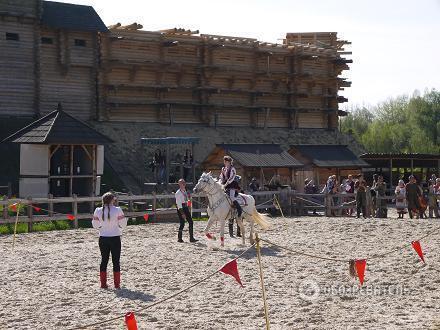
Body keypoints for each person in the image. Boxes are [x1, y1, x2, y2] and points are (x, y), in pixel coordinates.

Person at [92, 192, 127, 289]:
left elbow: (95, 225)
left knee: (104, 260)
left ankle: (103, 284)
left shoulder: (97, 210)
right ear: (112, 200)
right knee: (116, 261)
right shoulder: (118, 210)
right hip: (115, 237)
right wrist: (118, 226)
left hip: (103, 237)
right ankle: (117, 284)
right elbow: (123, 224)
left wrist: (102, 228)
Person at [175, 178, 198, 243]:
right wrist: (182, 213)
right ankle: (179, 238)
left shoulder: (185, 191)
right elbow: (179, 204)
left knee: (191, 222)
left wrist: (189, 198)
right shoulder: (178, 193)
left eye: (184, 182)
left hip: (185, 207)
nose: (184, 184)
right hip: (181, 209)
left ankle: (191, 238)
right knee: (182, 223)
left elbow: (186, 199)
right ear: (179, 184)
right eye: (182, 183)